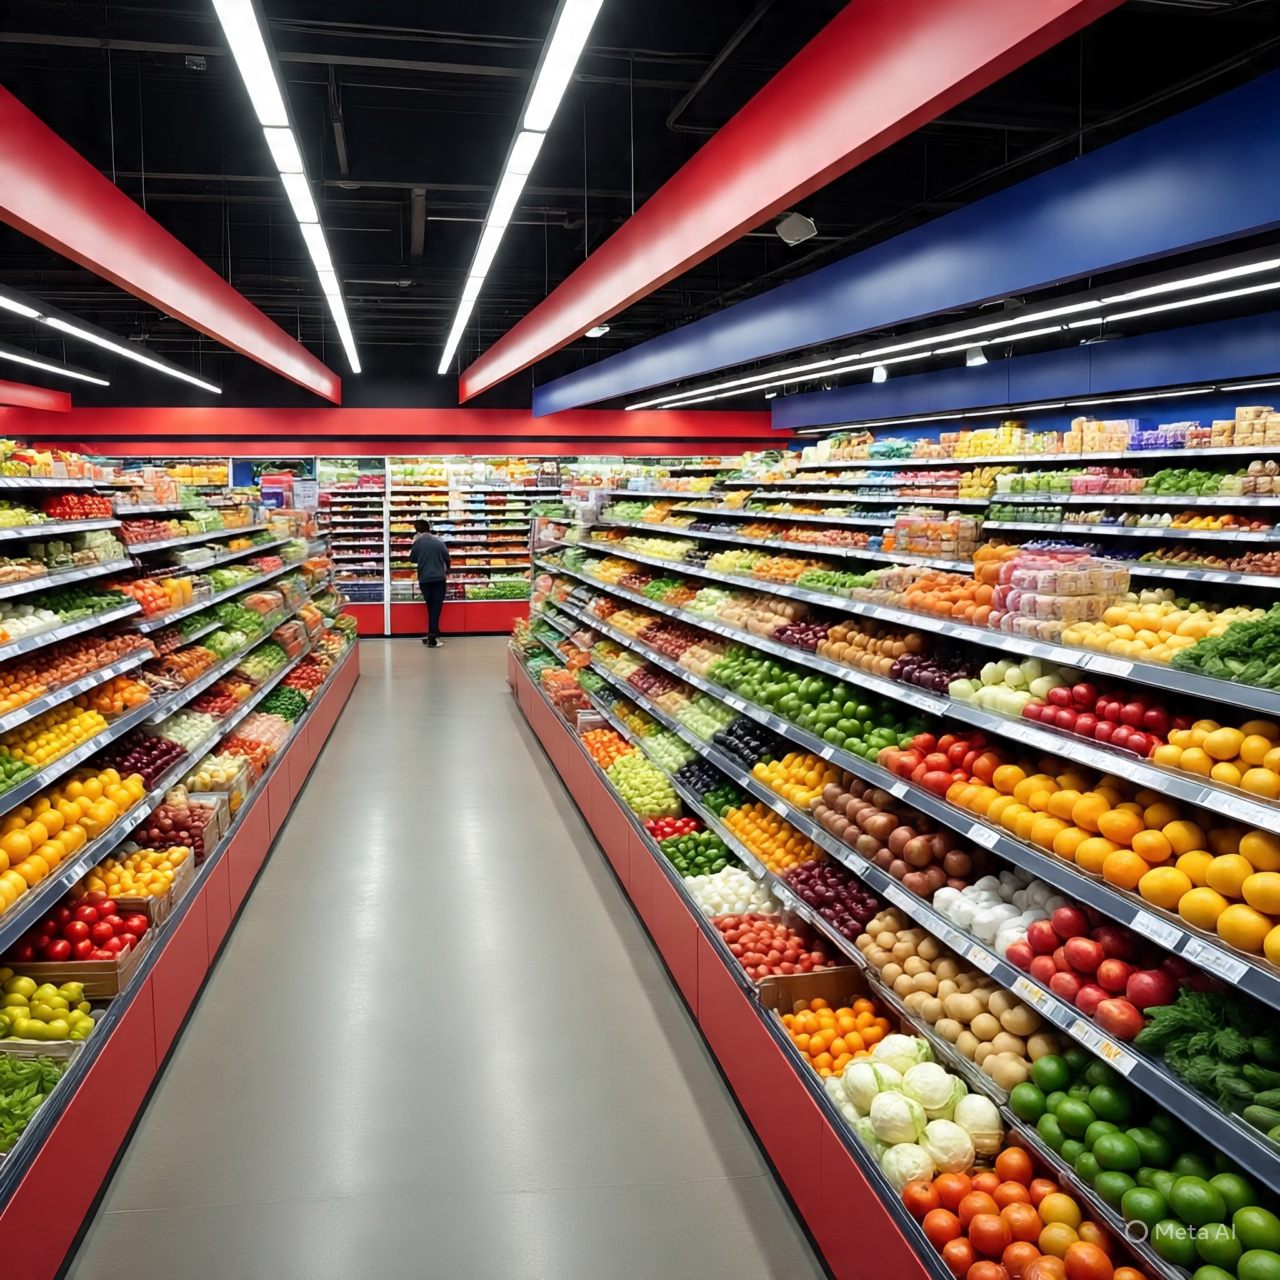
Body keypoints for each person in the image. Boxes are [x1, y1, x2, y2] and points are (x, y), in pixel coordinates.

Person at [408, 518, 451, 646]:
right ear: (429, 528)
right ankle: (433, 635)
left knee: (430, 605)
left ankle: (432, 633)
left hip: (424, 579)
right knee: (436, 607)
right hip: (438, 578)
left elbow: (412, 559)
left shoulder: (418, 543)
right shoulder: (439, 542)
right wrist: (446, 569)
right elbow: (447, 558)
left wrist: (423, 558)